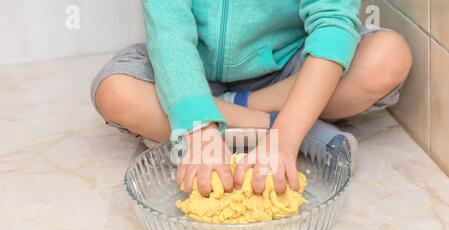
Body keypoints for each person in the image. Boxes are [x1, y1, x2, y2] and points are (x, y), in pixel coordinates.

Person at [91, 0, 412, 197]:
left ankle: (245, 116)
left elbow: (333, 23)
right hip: (189, 75)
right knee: (116, 91)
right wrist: (199, 128)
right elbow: (168, 32)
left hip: (288, 71)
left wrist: (284, 140)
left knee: (388, 56)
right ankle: (301, 131)